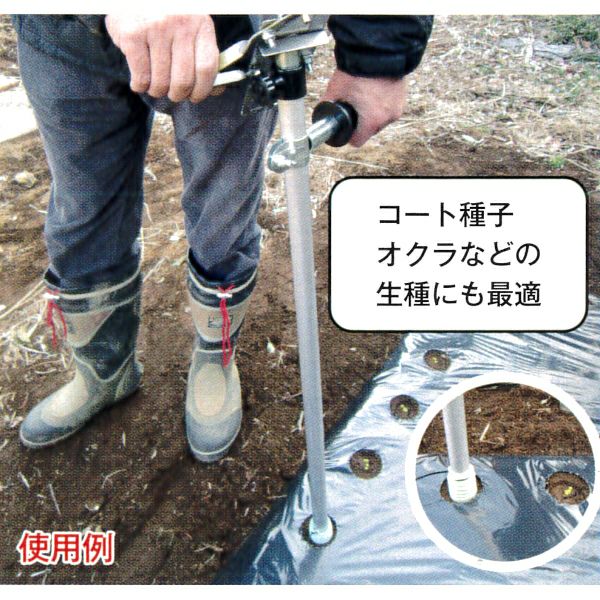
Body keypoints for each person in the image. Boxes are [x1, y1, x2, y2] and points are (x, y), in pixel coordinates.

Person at [11, 14, 433, 462]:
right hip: (59, 24)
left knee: (222, 222)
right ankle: (102, 374)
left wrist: (379, 53)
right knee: (80, 216)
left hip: (224, 32)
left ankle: (216, 356)